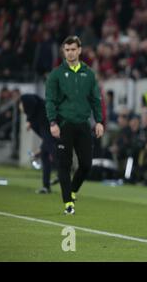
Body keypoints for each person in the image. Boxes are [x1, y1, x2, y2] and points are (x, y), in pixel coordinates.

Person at [45, 36, 104, 215]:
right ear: (64, 51)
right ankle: (68, 203)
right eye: (67, 50)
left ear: (79, 50)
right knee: (64, 164)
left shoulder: (89, 73)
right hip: (64, 124)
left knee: (86, 164)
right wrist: (53, 122)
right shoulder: (56, 74)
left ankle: (72, 190)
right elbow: (50, 101)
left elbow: (95, 99)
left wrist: (99, 121)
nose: (70, 53)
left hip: (83, 124)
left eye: (73, 49)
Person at [19, 94, 57, 194]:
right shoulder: (37, 115)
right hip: (52, 135)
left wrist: (40, 149)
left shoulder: (41, 119)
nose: (20, 106)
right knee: (45, 154)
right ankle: (47, 186)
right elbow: (47, 140)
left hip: (54, 134)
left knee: (51, 151)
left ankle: (61, 174)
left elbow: (49, 139)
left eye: (21, 104)